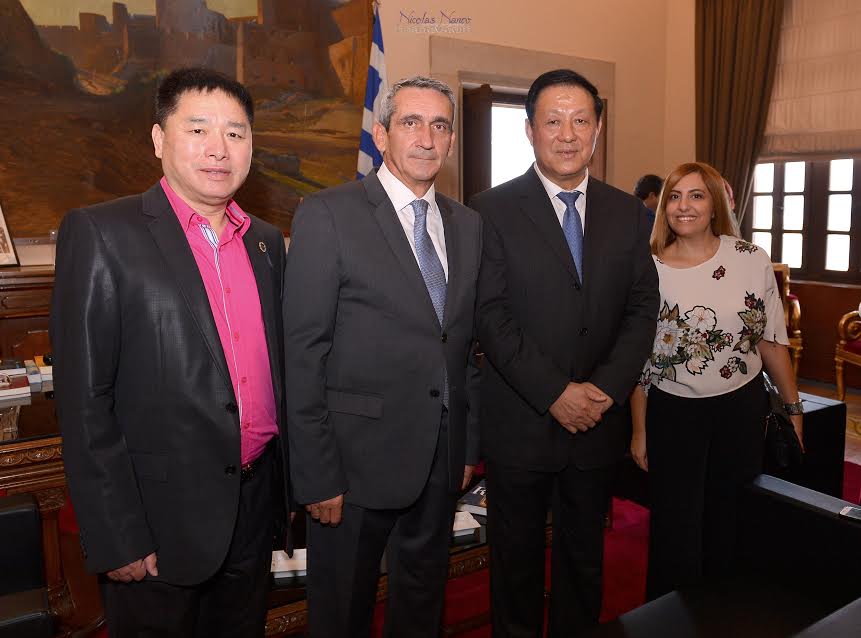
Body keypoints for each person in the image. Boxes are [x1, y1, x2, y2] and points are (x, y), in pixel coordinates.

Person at [51, 67, 291, 637]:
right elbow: (84, 403)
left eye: (235, 133)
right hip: (156, 520)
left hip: (255, 505)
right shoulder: (103, 234)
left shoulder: (265, 241)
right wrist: (116, 533)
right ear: (159, 139)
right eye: (198, 129)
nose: (219, 148)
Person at [284, 76, 481, 638]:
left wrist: (467, 445)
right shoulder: (328, 214)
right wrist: (316, 475)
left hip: (440, 460)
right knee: (341, 615)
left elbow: (464, 346)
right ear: (381, 133)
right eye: (411, 122)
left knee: (421, 609)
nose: (427, 138)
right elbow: (302, 353)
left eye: (440, 125)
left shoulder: (468, 225)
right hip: (352, 469)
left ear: (451, 140)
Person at [471, 68, 659, 637]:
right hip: (522, 423)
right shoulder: (489, 210)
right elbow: (490, 316)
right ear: (530, 130)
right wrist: (555, 392)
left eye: (581, 120)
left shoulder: (629, 213)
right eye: (553, 121)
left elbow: (642, 310)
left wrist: (603, 390)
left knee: (585, 564)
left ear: (598, 130)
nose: (568, 134)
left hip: (597, 425)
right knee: (516, 568)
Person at [630, 161, 803, 599]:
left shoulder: (750, 259)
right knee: (675, 527)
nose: (683, 206)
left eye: (696, 195)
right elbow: (640, 359)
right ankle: (669, 617)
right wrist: (639, 428)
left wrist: (794, 408)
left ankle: (725, 612)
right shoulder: (646, 267)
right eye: (674, 196)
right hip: (672, 411)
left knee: (731, 518)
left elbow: (772, 341)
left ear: (715, 205)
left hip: (739, 409)